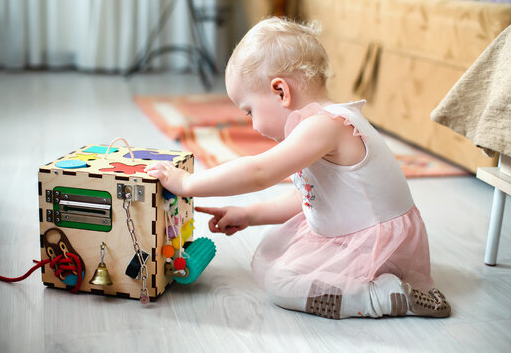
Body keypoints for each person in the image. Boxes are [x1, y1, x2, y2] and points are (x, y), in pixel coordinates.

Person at [145, 17, 450, 319]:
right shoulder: (320, 126)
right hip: (362, 234)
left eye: (250, 111)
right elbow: (309, 197)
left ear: (281, 91)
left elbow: (259, 172)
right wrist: (249, 215)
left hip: (375, 245)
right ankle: (383, 286)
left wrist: (186, 184)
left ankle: (381, 297)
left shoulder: (324, 125)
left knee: (281, 284)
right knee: (273, 256)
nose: (252, 124)